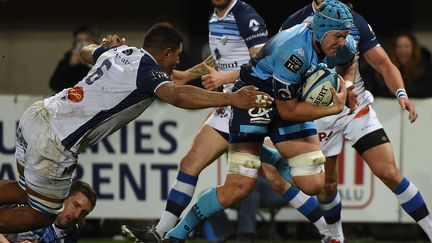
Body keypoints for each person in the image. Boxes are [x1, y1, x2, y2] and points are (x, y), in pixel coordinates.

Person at [0, 23, 272, 233]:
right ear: (166, 53)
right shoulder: (147, 72)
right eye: (176, 57)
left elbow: (85, 52)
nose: (177, 62)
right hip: (57, 139)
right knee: (44, 214)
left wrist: (104, 44)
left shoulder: (121, 52)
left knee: (25, 189)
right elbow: (177, 96)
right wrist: (231, 98)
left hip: (37, 114)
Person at [121, 0, 338, 242]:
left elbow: (262, 57)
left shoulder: (246, 16)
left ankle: (328, 231)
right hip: (230, 101)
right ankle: (161, 233)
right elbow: (220, 59)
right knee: (191, 163)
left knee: (271, 181)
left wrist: (224, 78)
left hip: (254, 99)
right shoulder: (215, 17)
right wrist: (189, 75)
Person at [280, 1, 432, 242]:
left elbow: (382, 63)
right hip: (319, 113)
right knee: (326, 185)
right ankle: (336, 237)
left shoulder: (353, 20)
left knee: (388, 171)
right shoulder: (294, 25)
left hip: (354, 105)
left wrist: (401, 94)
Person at [0, 180, 96, 243]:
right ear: (64, 197)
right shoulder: (35, 207)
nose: (77, 215)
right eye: (75, 205)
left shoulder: (71, 234)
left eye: (84, 213)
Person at [369, 32, 432, 98]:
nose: (403, 50)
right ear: (394, 49)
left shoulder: (424, 67)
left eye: (406, 46)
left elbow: (426, 91)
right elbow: (379, 90)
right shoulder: (387, 67)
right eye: (399, 46)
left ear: (413, 48)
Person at [49, 25, 100, 93]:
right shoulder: (67, 61)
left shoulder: (103, 59)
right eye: (79, 40)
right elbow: (55, 85)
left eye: (87, 40)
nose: (83, 44)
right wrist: (69, 66)